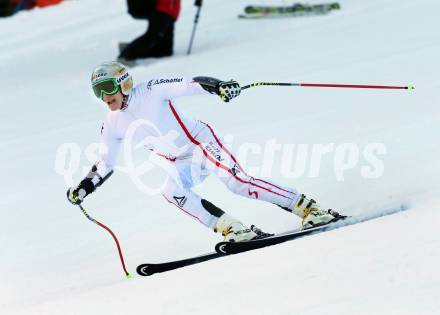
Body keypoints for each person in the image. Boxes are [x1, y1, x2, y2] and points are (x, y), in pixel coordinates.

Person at [66, 61, 344, 242]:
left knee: (238, 184)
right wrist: (84, 188)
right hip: (179, 161)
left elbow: (190, 84)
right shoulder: (112, 123)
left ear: (123, 82)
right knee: (171, 191)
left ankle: (309, 207)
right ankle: (232, 228)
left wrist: (219, 87)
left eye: (107, 88)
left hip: (200, 143)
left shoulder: (149, 90)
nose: (104, 97)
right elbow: (105, 162)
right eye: (97, 92)